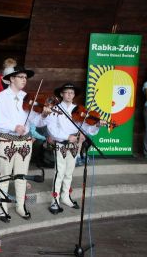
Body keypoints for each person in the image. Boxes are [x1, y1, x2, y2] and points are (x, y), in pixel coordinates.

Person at [0, 66, 45, 223]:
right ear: (11, 79)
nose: (23, 80)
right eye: (20, 77)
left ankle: (21, 205)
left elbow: (36, 120)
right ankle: (2, 208)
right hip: (6, 140)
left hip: (25, 142)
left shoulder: (28, 98)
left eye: (25, 78)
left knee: (22, 176)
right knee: (4, 175)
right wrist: (13, 127)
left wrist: (44, 115)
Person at [42, 83, 106, 215]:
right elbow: (52, 130)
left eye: (72, 93)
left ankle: (65, 196)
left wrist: (97, 125)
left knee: (69, 172)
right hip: (61, 144)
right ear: (61, 94)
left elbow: (87, 129)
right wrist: (67, 136)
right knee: (59, 172)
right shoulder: (55, 109)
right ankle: (55, 199)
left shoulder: (78, 110)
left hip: (74, 146)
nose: (70, 95)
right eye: (67, 92)